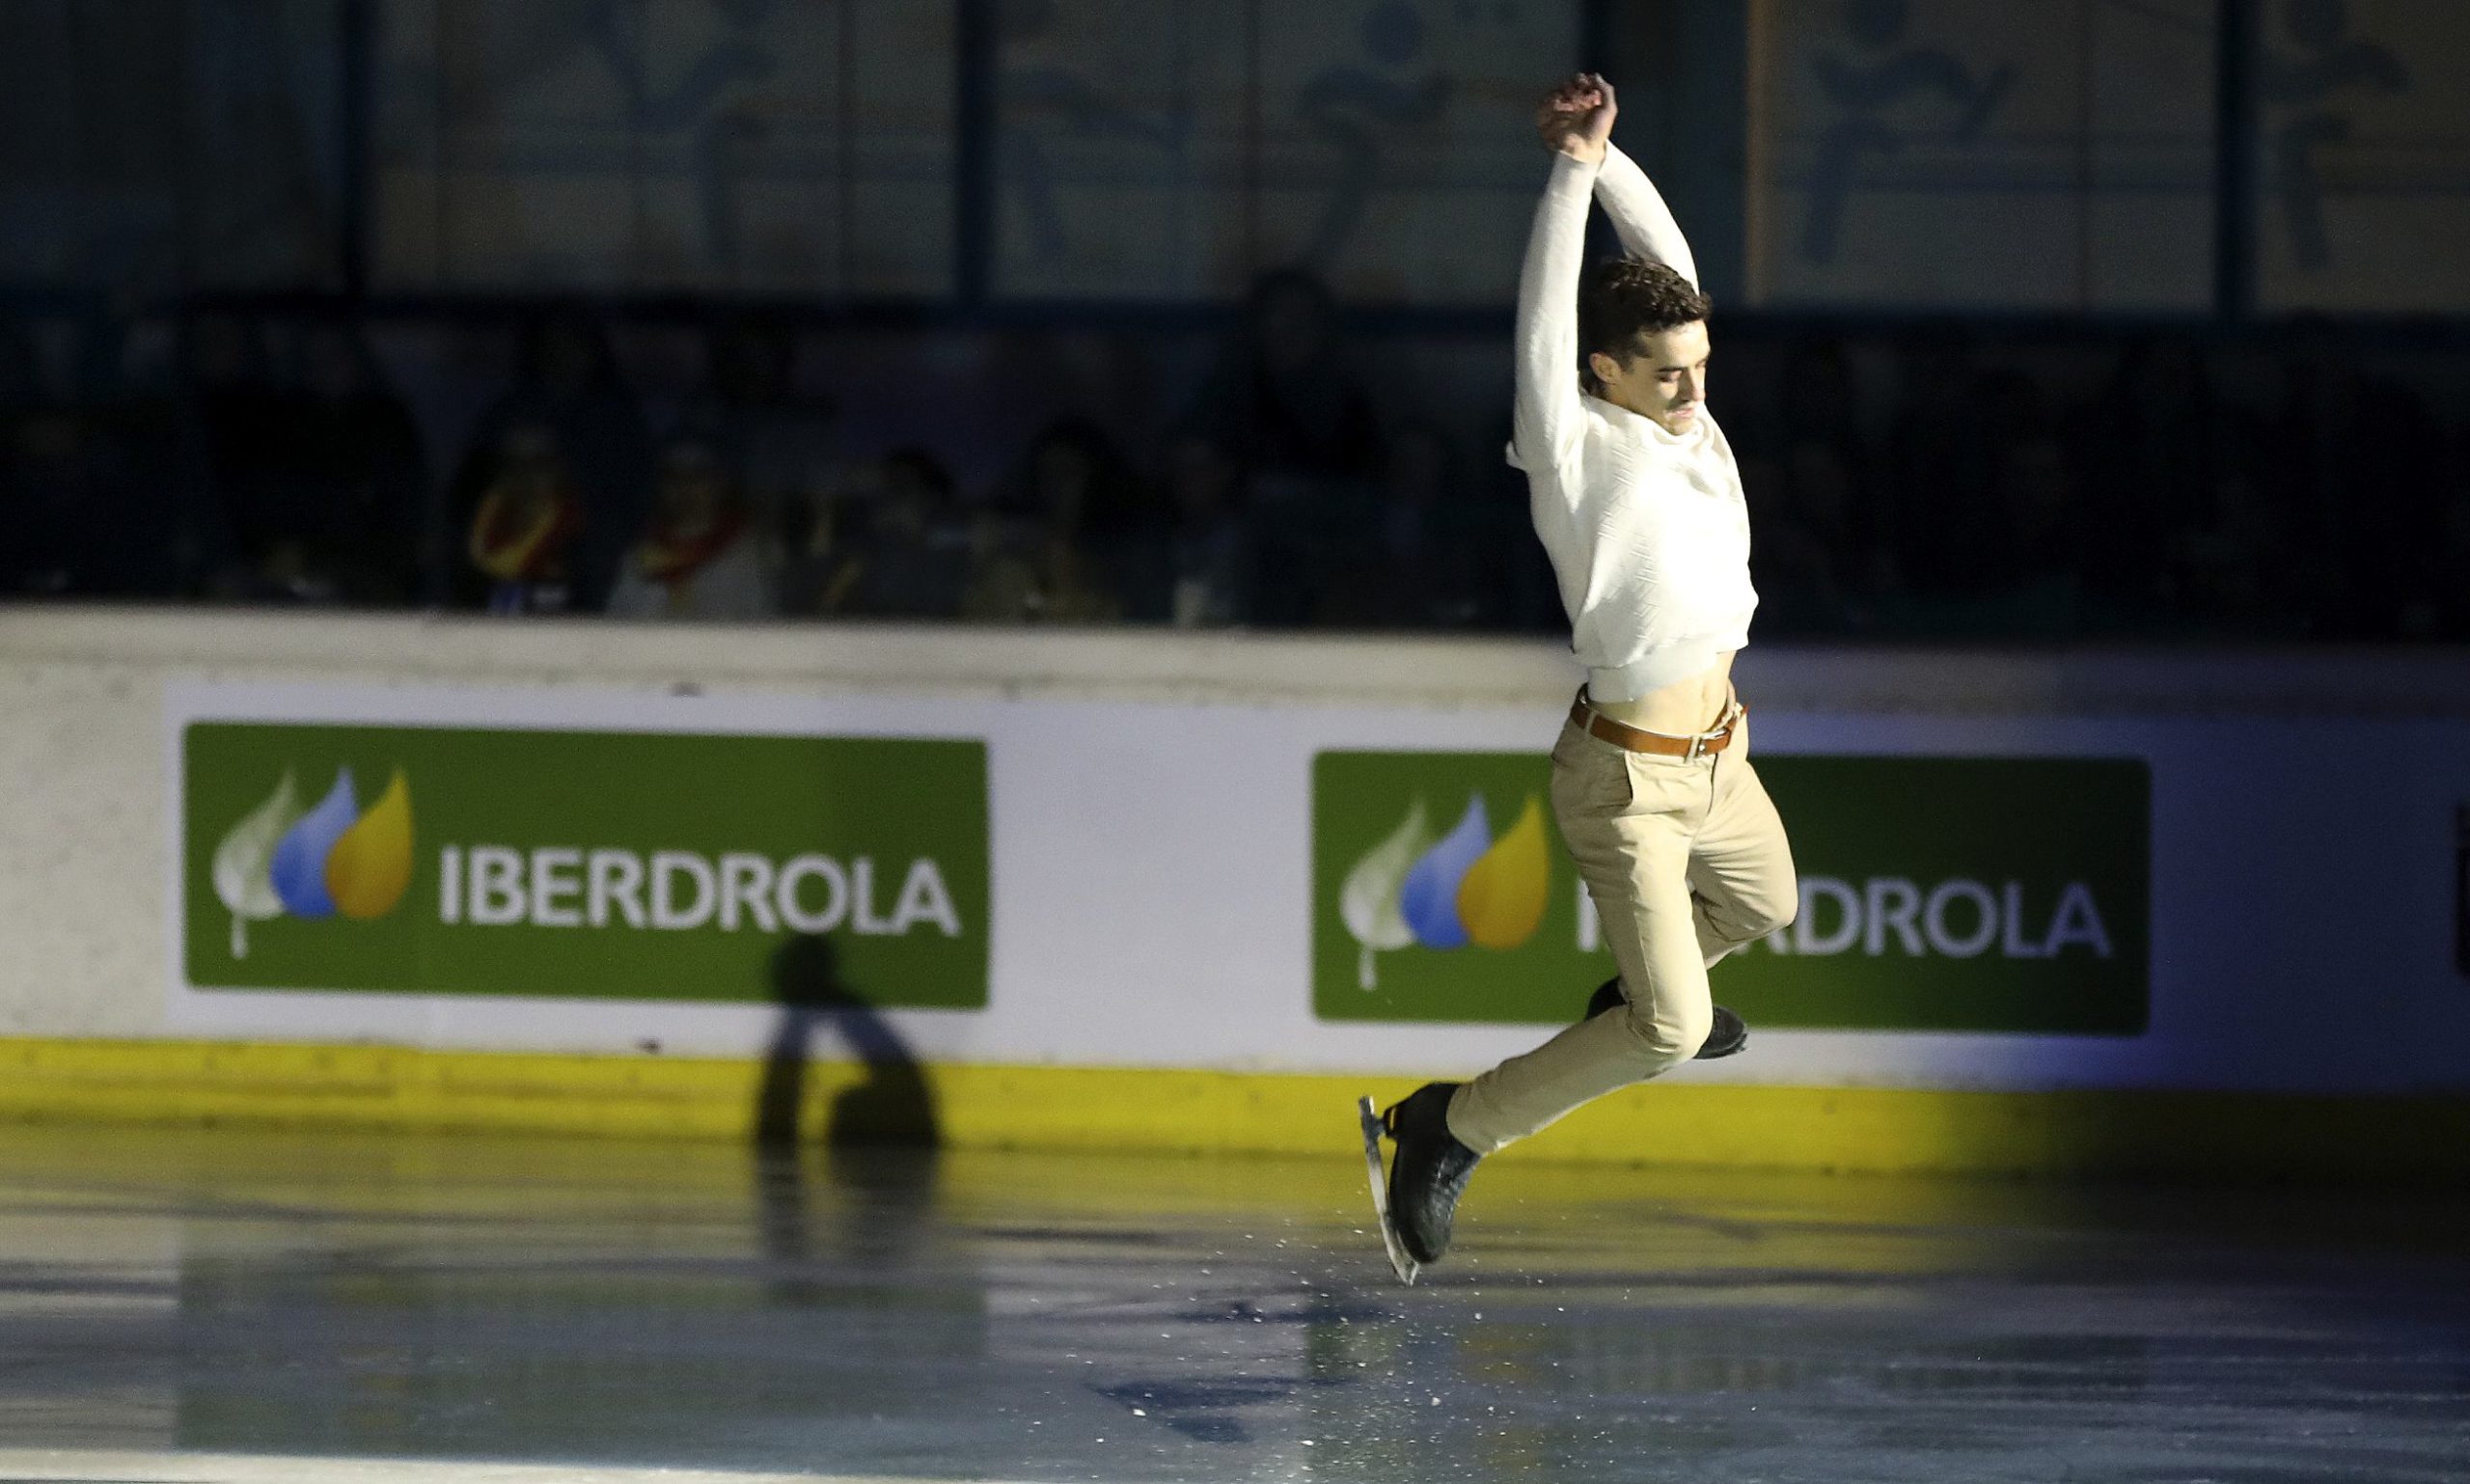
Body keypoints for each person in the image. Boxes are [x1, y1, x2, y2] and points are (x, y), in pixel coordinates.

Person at [1372, 74, 1798, 1271]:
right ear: (1603, 370)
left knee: (1765, 906)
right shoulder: (1568, 450)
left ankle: (1628, 1004)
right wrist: (1563, 180)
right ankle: (1447, 1125)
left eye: (1700, 364)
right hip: (1628, 782)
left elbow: (1664, 259)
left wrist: (1605, 159)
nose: (1694, 390)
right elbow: (1542, 320)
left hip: (1723, 761)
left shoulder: (1689, 418)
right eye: (1665, 371)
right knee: (1674, 1024)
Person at [607, 432, 777, 620]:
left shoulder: (747, 556)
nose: (685, 487)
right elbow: (618, 627)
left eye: (698, 475)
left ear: (721, 483)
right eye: (673, 476)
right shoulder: (640, 559)